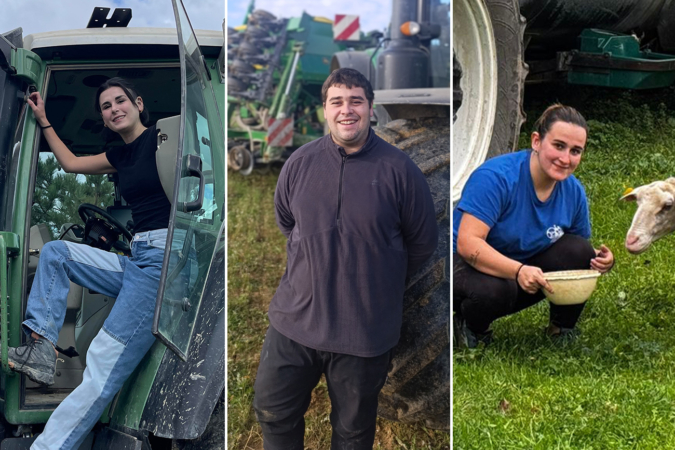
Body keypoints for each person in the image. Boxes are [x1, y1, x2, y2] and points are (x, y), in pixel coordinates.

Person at [252, 68, 438, 449]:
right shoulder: (299, 164)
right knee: (273, 410)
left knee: (353, 434)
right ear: (324, 110)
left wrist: (377, 277)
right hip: (295, 322)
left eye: (356, 101)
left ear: (371, 109)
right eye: (337, 101)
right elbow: (289, 223)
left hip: (363, 332)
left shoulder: (400, 171)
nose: (346, 110)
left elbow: (421, 244)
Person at [13, 77, 172, 449]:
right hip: (139, 259)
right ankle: (40, 349)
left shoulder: (165, 140)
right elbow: (68, 164)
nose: (115, 108)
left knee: (100, 364)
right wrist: (44, 119)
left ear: (138, 104)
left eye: (120, 101)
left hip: (165, 261)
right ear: (103, 118)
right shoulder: (120, 155)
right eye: (106, 106)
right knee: (56, 253)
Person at [453, 104, 615, 348]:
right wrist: (518, 271)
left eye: (575, 151)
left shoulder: (573, 191)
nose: (565, 158)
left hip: (523, 269)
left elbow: (574, 254)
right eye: (558, 146)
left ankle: (561, 329)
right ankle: (471, 327)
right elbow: (468, 243)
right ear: (537, 141)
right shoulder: (496, 177)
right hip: (459, 265)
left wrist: (600, 260)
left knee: (579, 251)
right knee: (498, 290)